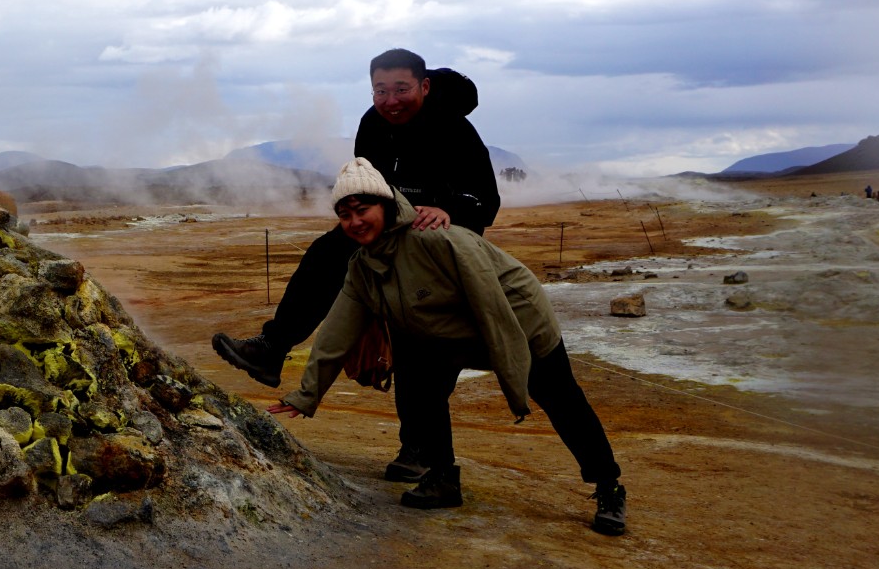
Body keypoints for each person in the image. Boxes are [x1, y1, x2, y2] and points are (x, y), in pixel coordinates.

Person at [269, 158, 627, 535]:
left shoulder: (434, 237)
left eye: (362, 210)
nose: (354, 221)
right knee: (421, 387)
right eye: (344, 215)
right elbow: (336, 333)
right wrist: (306, 395)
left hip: (517, 322)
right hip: (448, 332)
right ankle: (442, 477)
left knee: (561, 400)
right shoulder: (363, 267)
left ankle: (609, 487)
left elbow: (490, 301)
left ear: (387, 205)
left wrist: (512, 372)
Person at [213, 47, 499, 482]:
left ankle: (418, 448)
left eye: (400, 89)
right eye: (380, 90)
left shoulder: (456, 129)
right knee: (325, 254)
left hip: (437, 243)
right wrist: (356, 222)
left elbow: (485, 197)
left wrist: (449, 212)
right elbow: (368, 186)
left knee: (417, 343)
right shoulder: (372, 123)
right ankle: (272, 350)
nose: (390, 100)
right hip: (389, 233)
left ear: (423, 86)